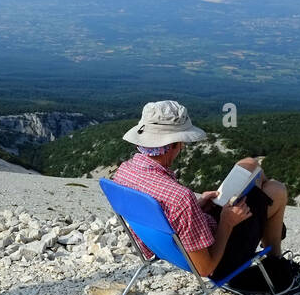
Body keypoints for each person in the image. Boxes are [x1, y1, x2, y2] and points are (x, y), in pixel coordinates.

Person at [112, 100, 288, 282]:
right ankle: (275, 259)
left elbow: (164, 215)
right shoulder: (180, 198)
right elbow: (205, 269)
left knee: (250, 164)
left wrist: (197, 207)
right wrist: (227, 222)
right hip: (220, 258)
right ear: (174, 144)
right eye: (181, 143)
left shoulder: (124, 173)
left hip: (174, 245)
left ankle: (267, 225)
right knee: (276, 190)